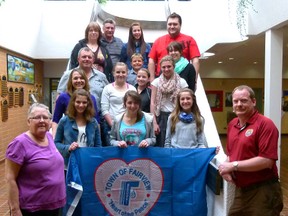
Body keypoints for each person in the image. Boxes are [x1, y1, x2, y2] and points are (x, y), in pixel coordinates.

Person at [218, 85, 283, 215]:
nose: (239, 104)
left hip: (263, 190)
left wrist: (233, 166)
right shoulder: (232, 124)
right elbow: (231, 154)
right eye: (235, 101)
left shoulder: (265, 124)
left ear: (253, 102)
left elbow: (266, 161)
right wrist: (224, 168)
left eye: (244, 100)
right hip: (241, 191)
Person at [5, 103, 66, 216]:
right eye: (37, 117)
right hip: (33, 209)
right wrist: (15, 210)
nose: (42, 120)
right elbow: (10, 179)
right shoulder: (19, 143)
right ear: (29, 121)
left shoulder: (48, 136)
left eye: (45, 117)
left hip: (54, 206)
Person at [54, 89, 102, 167]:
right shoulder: (64, 121)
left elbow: (98, 146)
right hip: (70, 164)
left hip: (88, 163)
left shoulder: (93, 122)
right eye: (78, 102)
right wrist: (68, 148)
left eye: (84, 102)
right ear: (73, 102)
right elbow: (56, 143)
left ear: (88, 104)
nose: (81, 105)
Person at [148, 12, 200, 81]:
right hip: (161, 80)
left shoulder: (189, 40)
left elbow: (195, 60)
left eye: (175, 24)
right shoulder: (158, 41)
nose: (172, 26)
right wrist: (152, 79)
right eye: (169, 24)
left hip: (183, 79)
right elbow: (151, 60)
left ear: (180, 25)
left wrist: (194, 80)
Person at [150, 55, 188, 147]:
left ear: (174, 67)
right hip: (161, 117)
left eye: (169, 66)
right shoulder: (156, 82)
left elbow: (186, 102)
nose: (166, 69)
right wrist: (154, 122)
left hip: (177, 116)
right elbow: (153, 102)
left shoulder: (182, 82)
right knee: (162, 145)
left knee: (177, 144)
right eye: (163, 67)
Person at [57, 47, 109, 112]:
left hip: (97, 117)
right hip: (72, 118)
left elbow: (107, 96)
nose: (87, 59)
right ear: (78, 59)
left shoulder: (101, 76)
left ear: (93, 60)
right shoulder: (68, 75)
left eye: (89, 57)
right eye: (84, 57)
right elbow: (59, 97)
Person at [52, 68, 99, 137]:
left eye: (81, 78)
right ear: (71, 81)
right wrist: (54, 139)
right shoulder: (63, 97)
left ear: (85, 80)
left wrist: (97, 141)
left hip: (88, 137)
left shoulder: (91, 98)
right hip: (68, 136)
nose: (79, 81)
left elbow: (96, 121)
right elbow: (56, 120)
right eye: (75, 78)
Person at [101, 62, 137, 145]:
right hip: (110, 127)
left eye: (123, 72)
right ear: (113, 73)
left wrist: (127, 125)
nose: (120, 74)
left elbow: (135, 108)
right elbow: (104, 109)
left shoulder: (132, 89)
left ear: (127, 73)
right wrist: (114, 126)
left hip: (129, 126)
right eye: (118, 72)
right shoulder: (107, 88)